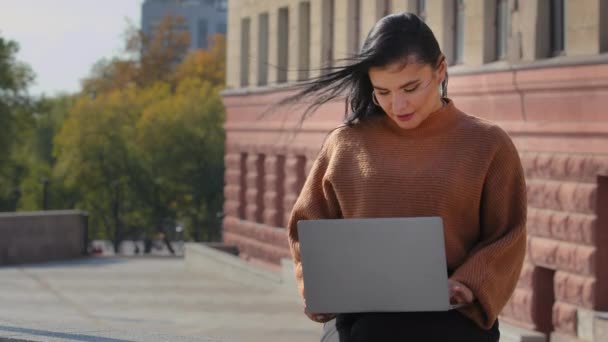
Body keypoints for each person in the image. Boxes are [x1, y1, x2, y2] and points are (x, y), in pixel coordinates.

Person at [284, 12, 526, 342]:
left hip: (451, 319)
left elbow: (507, 233)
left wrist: (469, 284)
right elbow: (306, 227)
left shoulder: (488, 144)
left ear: (440, 69)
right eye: (382, 91)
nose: (397, 104)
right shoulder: (345, 143)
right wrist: (314, 286)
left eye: (410, 87)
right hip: (359, 321)